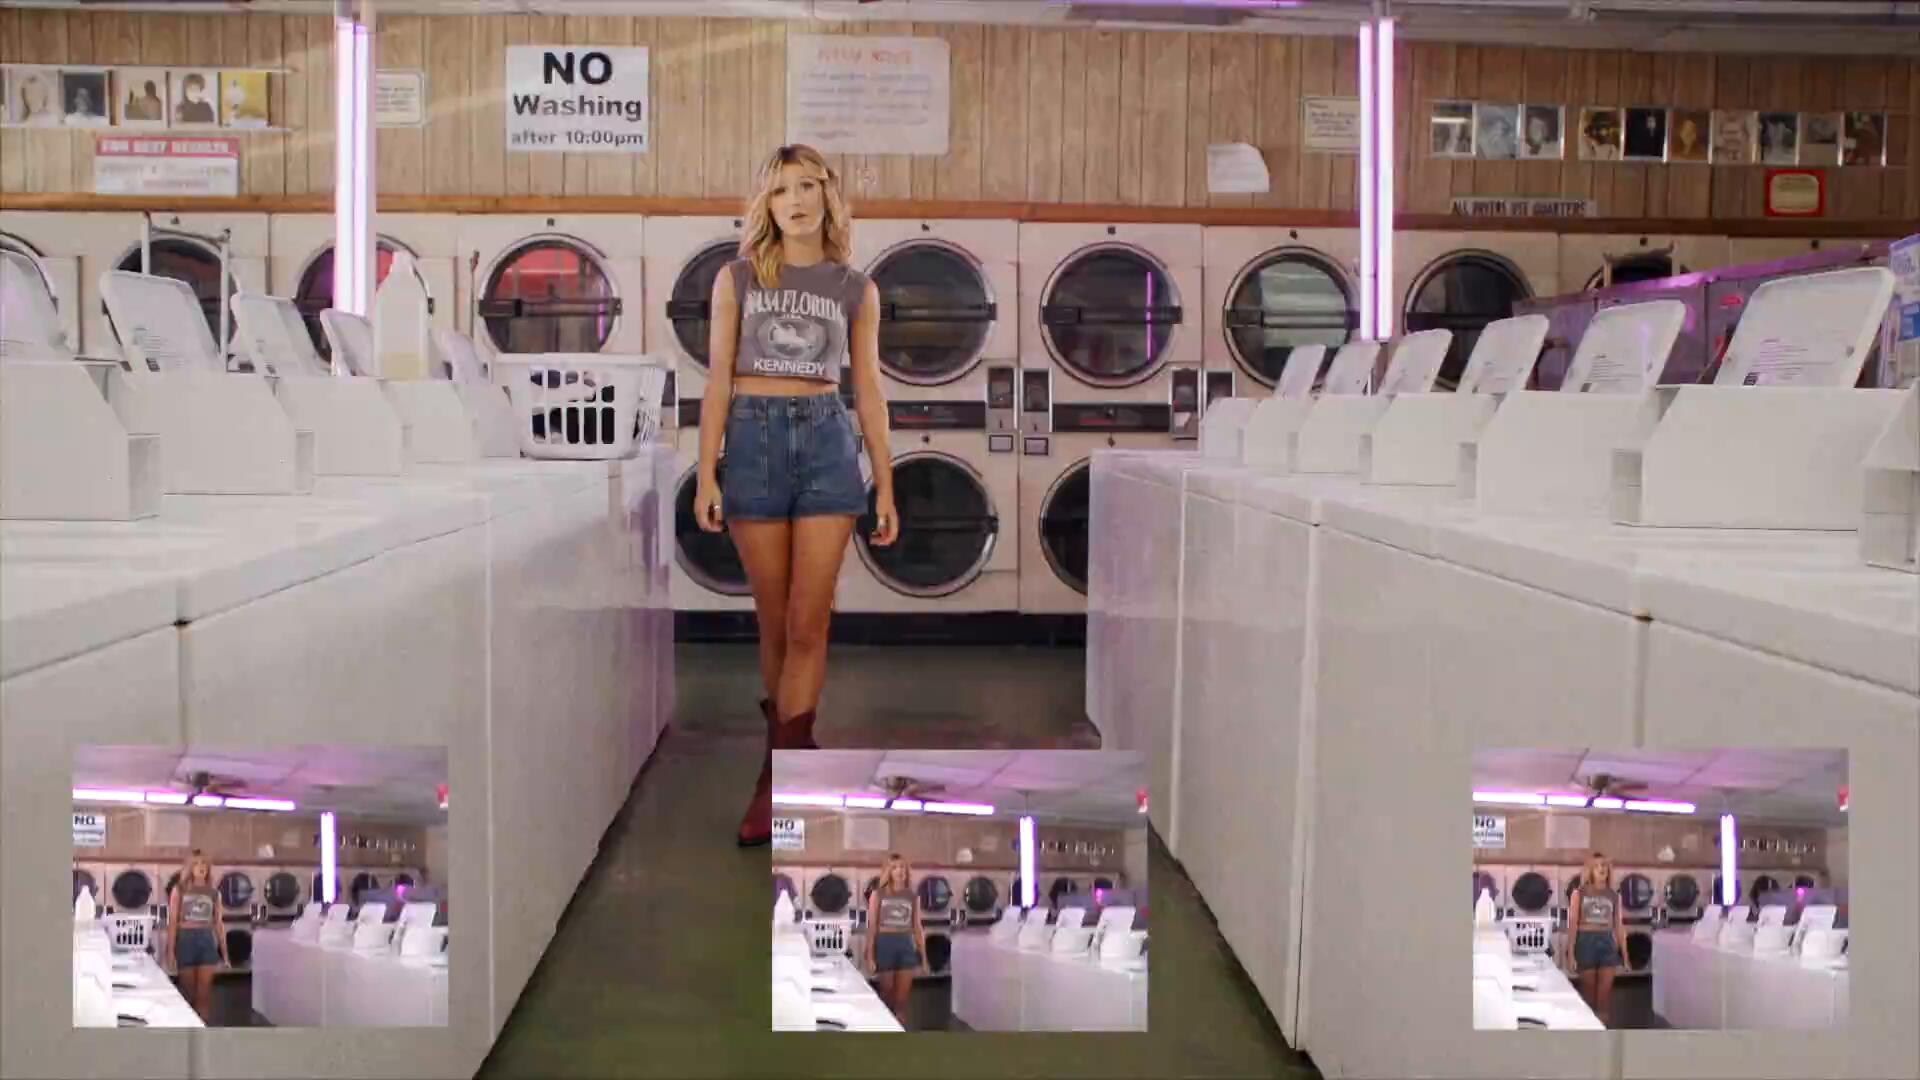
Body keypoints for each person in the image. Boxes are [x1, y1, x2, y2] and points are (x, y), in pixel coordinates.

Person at [698, 143, 897, 847]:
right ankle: (792, 747)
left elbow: (868, 388)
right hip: (752, 440)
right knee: (776, 623)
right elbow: (718, 378)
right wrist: (706, 470)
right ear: (767, 205)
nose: (796, 201)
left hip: (825, 439)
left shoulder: (856, 288)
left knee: (810, 624)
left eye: (808, 186)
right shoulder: (737, 278)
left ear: (827, 197)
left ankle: (774, 776)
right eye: (781, 190)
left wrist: (886, 482)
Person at [863, 854, 926, 1028]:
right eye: (895, 867)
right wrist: (870, 955)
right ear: (888, 872)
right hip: (885, 944)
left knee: (901, 1002)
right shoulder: (877, 895)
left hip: (905, 945)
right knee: (887, 996)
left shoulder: (912, 896)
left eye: (902, 867)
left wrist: (924, 957)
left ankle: (899, 1031)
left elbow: (917, 927)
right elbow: (872, 927)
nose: (899, 871)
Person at [1565, 851, 1626, 1026]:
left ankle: (1603, 1035)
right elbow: (1572, 924)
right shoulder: (1579, 893)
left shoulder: (1613, 895)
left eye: (1604, 865)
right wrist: (1571, 954)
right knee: (1589, 998)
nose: (1601, 869)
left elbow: (1619, 926)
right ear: (1590, 870)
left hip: (1607, 943)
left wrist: (1625, 955)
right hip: (1586, 943)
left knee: (1604, 999)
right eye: (1597, 866)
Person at [167, 851, 229, 1023]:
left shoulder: (214, 893)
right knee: (188, 995)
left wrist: (225, 953)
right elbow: (172, 922)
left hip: (206, 941)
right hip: (186, 941)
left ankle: (203, 1032)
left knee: (204, 995)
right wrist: (170, 952)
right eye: (196, 863)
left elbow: (218, 924)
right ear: (190, 868)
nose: (201, 867)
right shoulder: (179, 890)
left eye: (204, 863)